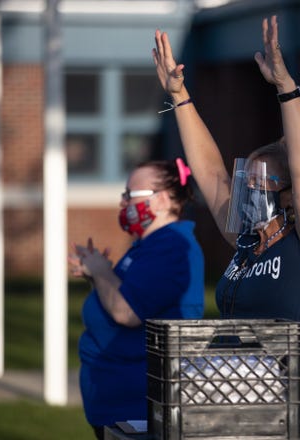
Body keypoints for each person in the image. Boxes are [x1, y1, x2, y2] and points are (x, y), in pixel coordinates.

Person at [152, 15, 300, 440]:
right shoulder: (247, 240)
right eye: (245, 181)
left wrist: (285, 89)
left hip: (293, 422)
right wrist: (180, 97)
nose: (245, 191)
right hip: (239, 414)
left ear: (286, 193)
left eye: (259, 183)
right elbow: (212, 175)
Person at [68, 158, 205, 440]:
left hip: (138, 411)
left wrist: (101, 270)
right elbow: (125, 297)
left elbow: (127, 312)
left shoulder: (172, 247)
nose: (123, 203)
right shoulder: (148, 245)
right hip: (118, 407)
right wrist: (96, 275)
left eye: (130, 196)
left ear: (162, 200)